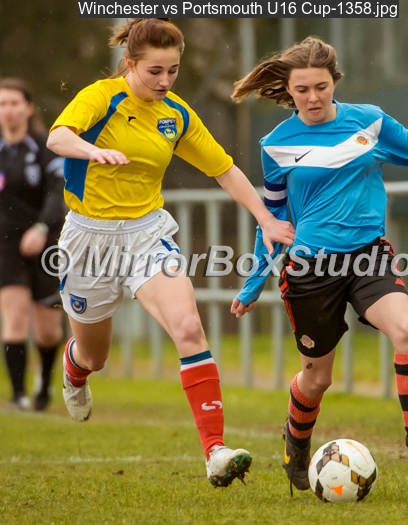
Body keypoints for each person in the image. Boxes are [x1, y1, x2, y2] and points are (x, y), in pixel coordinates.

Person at [230, 37, 408, 491]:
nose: (313, 97)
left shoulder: (369, 122)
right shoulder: (276, 145)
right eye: (302, 90)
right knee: (317, 379)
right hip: (310, 271)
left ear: (335, 82)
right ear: (288, 90)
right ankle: (296, 443)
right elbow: (272, 221)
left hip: (369, 258)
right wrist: (252, 284)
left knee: (407, 331)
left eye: (321, 87)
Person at [46, 18, 294, 488]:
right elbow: (57, 137)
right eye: (154, 71)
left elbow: (224, 169)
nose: (164, 81)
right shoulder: (101, 97)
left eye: (173, 71)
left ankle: (216, 452)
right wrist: (90, 152)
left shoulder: (175, 114)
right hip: (88, 239)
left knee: (188, 327)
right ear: (129, 63)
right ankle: (75, 369)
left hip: (146, 233)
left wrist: (266, 219)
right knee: (95, 357)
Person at [0, 78, 66, 411]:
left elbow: (57, 195)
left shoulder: (46, 147)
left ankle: (44, 383)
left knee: (49, 331)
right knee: (15, 316)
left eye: (14, 103)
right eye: (2, 104)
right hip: (4, 246)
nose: (8, 110)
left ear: (28, 107)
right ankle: (18, 395)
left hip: (47, 245)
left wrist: (41, 227)